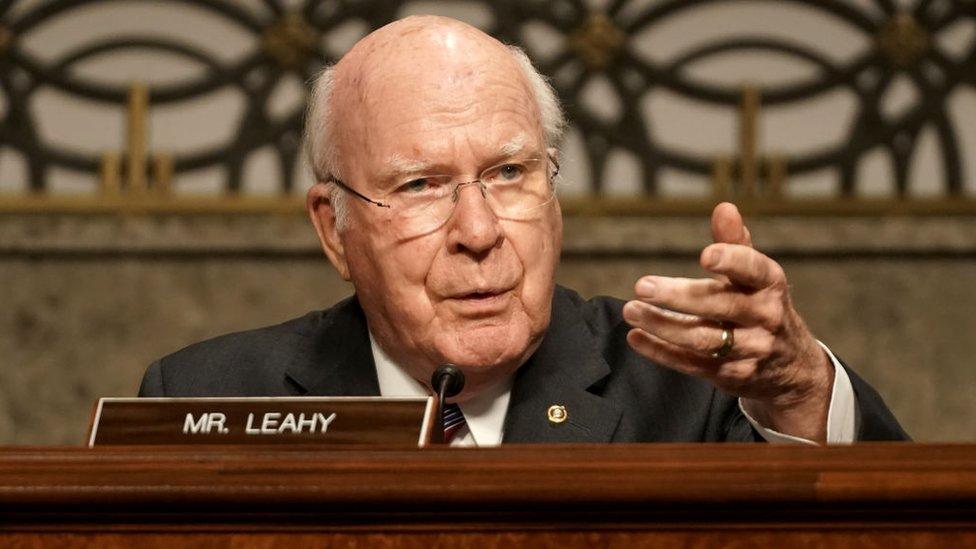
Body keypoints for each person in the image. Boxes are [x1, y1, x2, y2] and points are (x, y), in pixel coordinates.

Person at [140, 16, 907, 445]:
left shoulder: (685, 391)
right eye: (420, 185)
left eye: (509, 174)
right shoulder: (204, 399)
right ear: (334, 230)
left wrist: (800, 386)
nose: (479, 231)